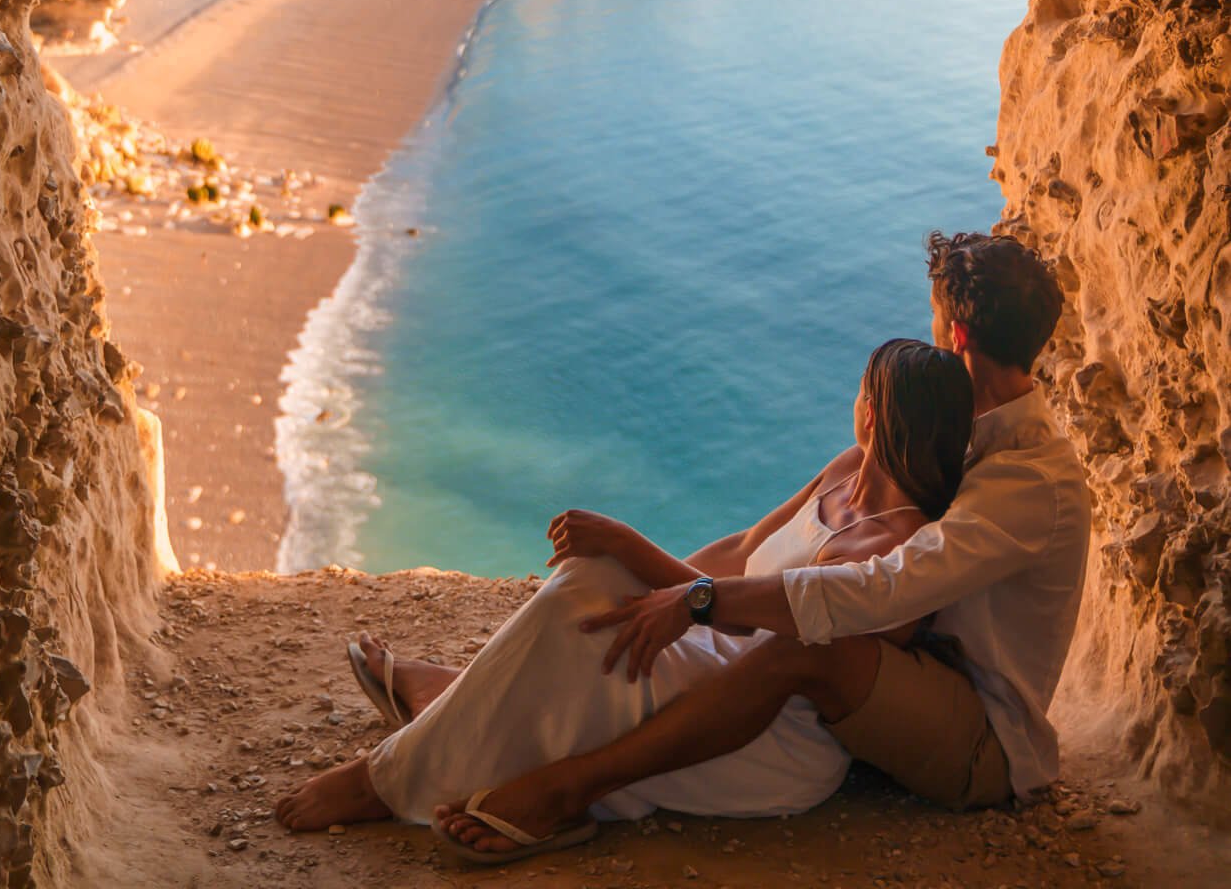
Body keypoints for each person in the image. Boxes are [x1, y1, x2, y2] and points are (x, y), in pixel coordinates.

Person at [426, 229, 1091, 862]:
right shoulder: (953, 432)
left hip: (979, 733)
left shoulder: (1027, 480)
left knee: (812, 641)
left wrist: (698, 601)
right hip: (897, 675)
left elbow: (884, 588)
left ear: (961, 336)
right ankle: (496, 697)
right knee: (644, 598)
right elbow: (752, 549)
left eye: (935, 322)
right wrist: (663, 581)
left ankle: (571, 787)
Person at [274, 336, 974, 852]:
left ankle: (384, 777)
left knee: (588, 611)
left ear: (875, 412)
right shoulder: (845, 471)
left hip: (766, 736)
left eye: (859, 391)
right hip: (712, 652)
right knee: (594, 587)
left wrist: (635, 550)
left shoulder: (895, 553)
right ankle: (458, 699)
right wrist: (642, 577)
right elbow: (738, 554)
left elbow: (769, 647)